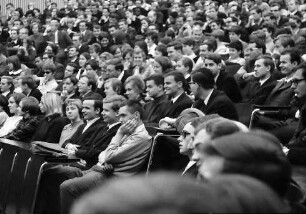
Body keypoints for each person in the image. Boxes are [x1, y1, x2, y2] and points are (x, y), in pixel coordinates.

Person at [60, 100, 152, 213]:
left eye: (123, 115)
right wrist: (108, 156)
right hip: (101, 170)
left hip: (113, 177)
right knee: (59, 173)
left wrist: (119, 134)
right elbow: (103, 155)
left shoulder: (140, 137)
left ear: (136, 115)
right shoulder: (129, 131)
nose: (121, 120)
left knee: (66, 186)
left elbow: (108, 156)